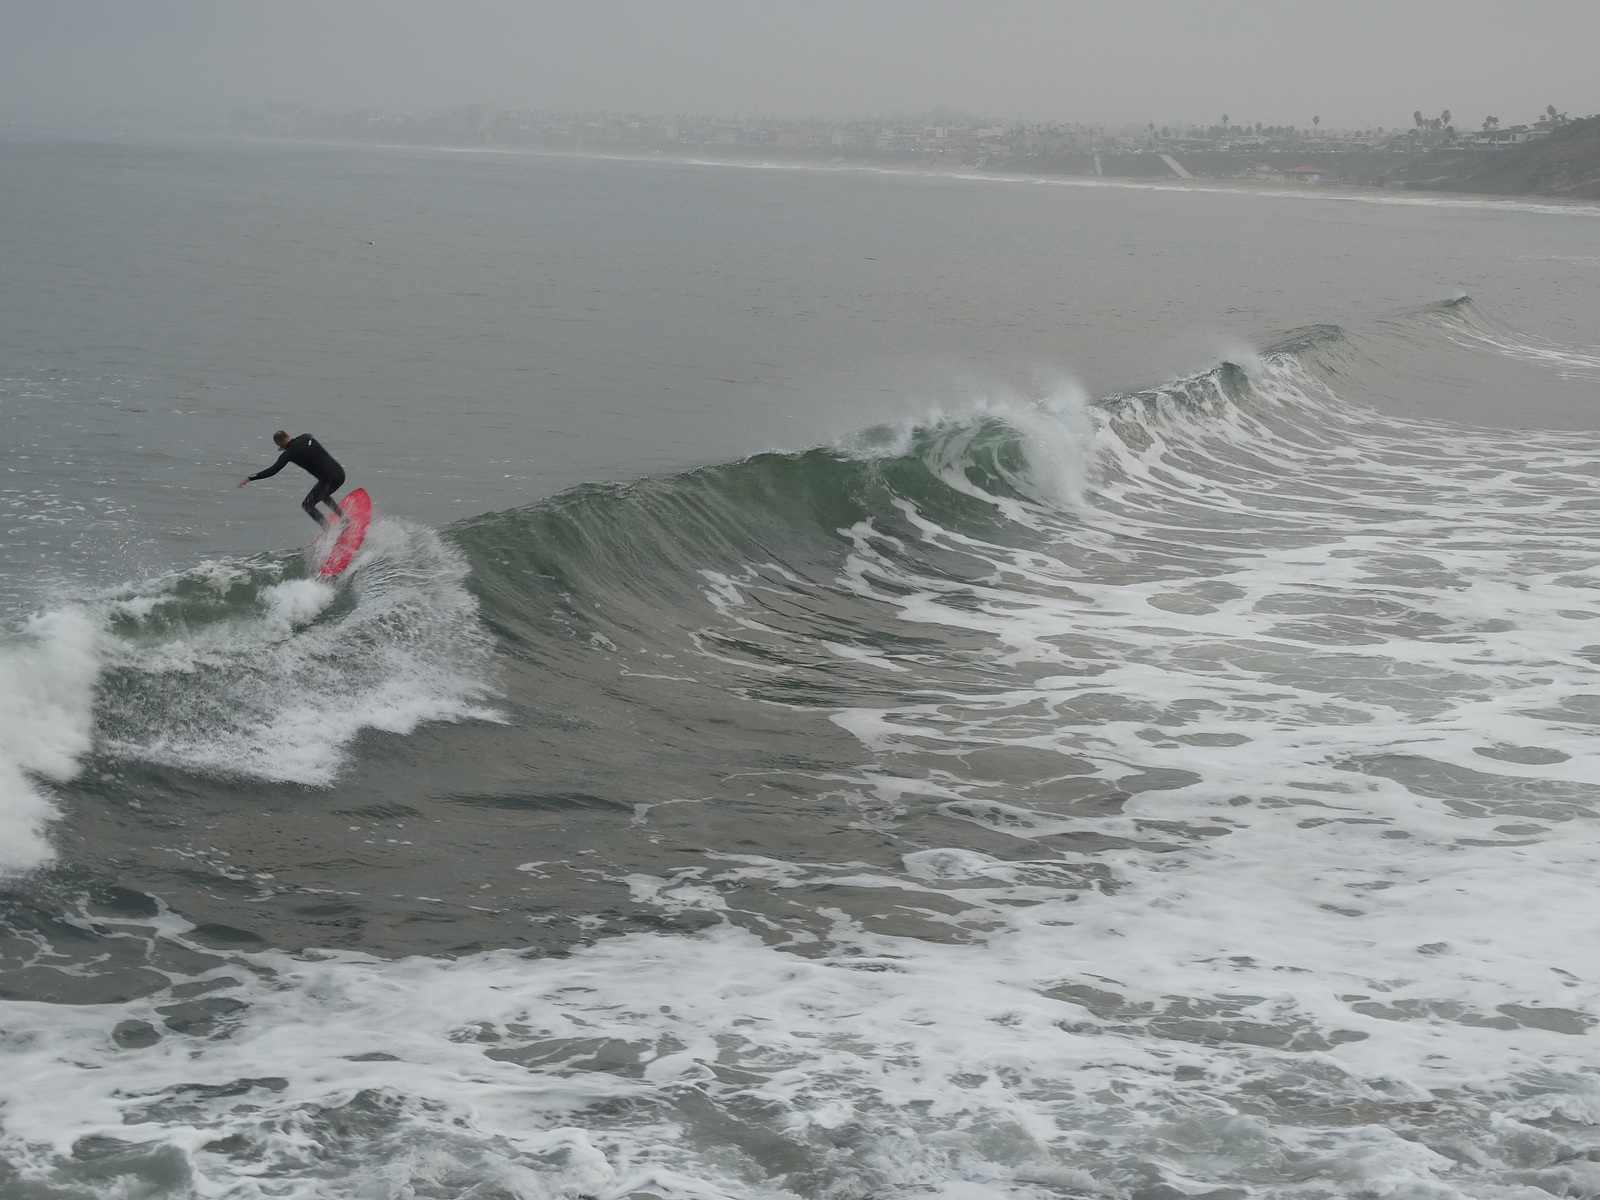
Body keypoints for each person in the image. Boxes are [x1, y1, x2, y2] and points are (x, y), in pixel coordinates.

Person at [238, 430, 347, 526]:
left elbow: (272, 471)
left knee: (307, 505)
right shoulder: (306, 437)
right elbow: (308, 436)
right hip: (340, 475)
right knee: (323, 494)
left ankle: (328, 530)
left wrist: (250, 478)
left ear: (280, 444)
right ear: (288, 435)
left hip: (328, 480)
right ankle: (344, 519)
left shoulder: (288, 453)